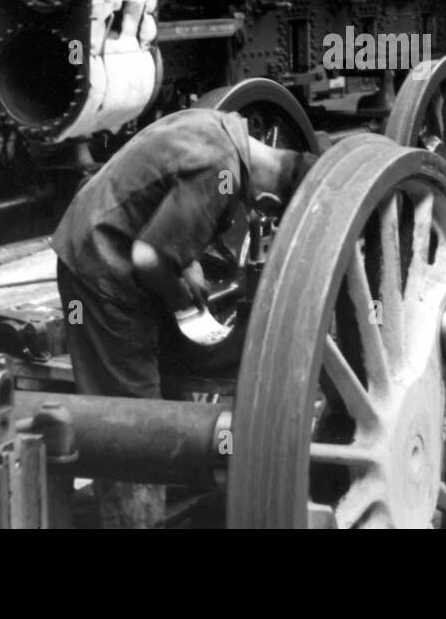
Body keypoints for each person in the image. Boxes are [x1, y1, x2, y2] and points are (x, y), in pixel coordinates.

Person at [52, 107, 316, 524]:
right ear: (268, 199)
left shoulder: (220, 127)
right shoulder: (221, 171)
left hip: (99, 232)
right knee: (130, 417)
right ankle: (134, 519)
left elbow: (163, 195)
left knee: (157, 389)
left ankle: (173, 489)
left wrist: (185, 259)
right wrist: (176, 293)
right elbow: (147, 255)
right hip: (101, 267)